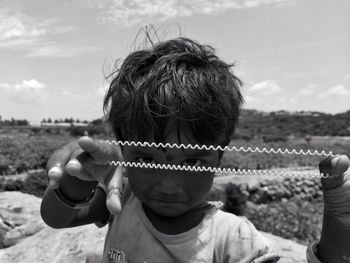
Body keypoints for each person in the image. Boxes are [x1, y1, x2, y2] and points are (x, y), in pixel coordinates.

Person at [41, 37, 350, 263]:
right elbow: (57, 219)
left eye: (192, 162)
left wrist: (337, 232)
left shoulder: (233, 239)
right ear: (124, 153)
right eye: (147, 159)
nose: (169, 185)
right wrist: (76, 179)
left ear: (219, 157)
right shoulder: (123, 200)